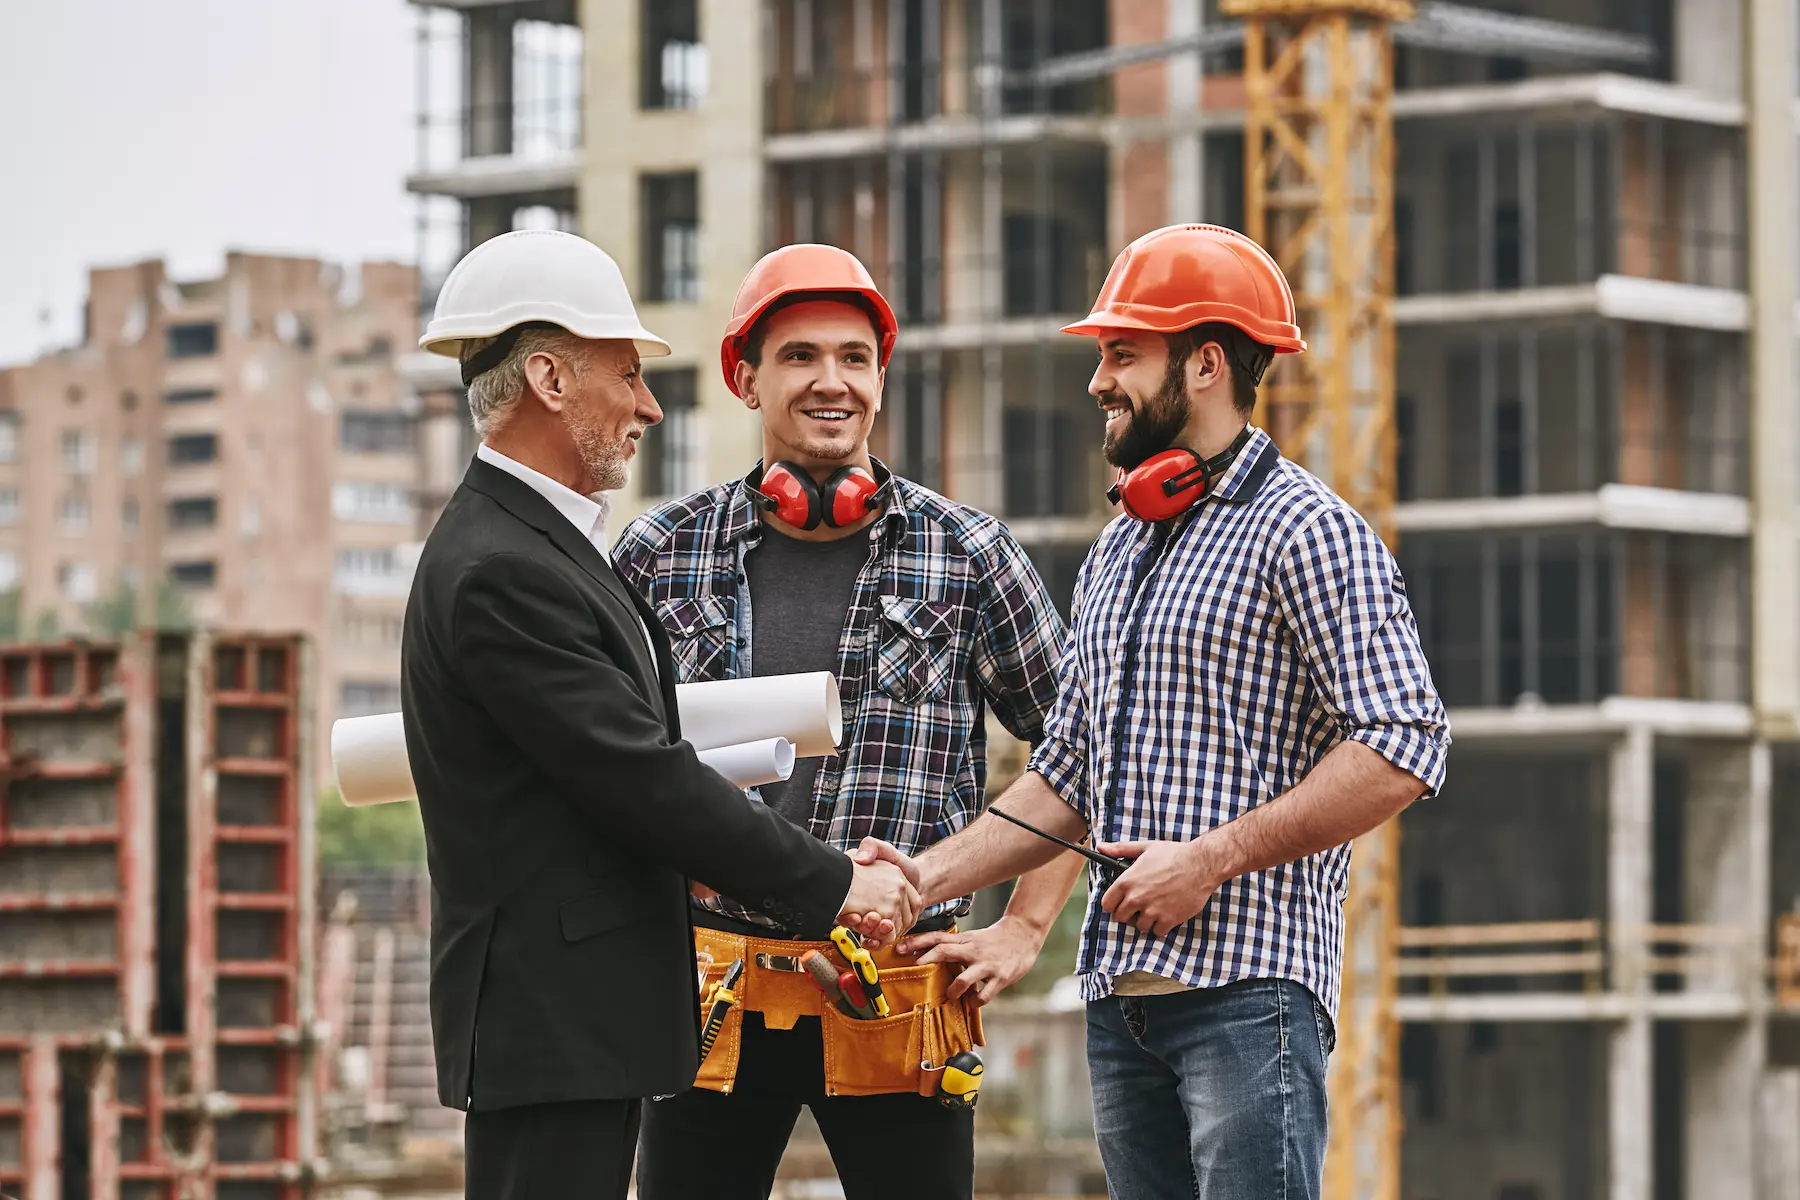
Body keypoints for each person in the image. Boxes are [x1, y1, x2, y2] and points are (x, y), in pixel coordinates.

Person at [883, 224, 1452, 1200]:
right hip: (1119, 1004)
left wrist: (1210, 859)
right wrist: (916, 878)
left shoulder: (1308, 533)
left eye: (1121, 354)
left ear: (1206, 363)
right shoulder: (1118, 550)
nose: (1099, 381)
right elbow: (1063, 780)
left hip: (1248, 995)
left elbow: (1405, 742)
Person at [400, 230, 920, 1200]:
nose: (647, 405)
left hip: (577, 1031)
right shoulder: (504, 572)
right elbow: (640, 781)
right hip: (554, 1032)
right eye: (628, 374)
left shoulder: (539, 549)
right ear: (550, 378)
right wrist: (838, 881)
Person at [614, 244, 1082, 1200]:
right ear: (744, 378)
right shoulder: (660, 554)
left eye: (854, 358)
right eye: (799, 357)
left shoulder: (967, 554)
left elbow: (1082, 750)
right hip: (711, 988)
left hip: (901, 991)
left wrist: (1024, 928)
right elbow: (611, 767)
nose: (832, 382)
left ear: (879, 378)